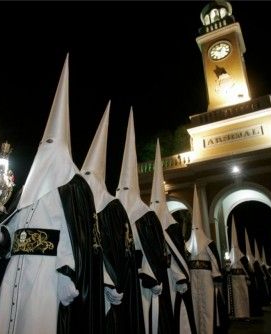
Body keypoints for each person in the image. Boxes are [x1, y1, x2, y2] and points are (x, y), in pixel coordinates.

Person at [0, 54, 104, 334]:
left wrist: (66, 273)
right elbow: (13, 232)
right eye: (42, 145)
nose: (45, 152)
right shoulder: (25, 191)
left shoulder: (73, 189)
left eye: (52, 145)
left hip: (47, 275)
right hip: (15, 269)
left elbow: (76, 235)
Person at [80, 102, 144, 334]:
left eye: (90, 174)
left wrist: (112, 280)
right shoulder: (75, 203)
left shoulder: (112, 207)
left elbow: (120, 250)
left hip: (102, 285)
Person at [116, 109, 173, 334]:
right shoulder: (112, 210)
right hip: (116, 278)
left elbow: (152, 250)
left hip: (139, 281)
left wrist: (150, 275)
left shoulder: (146, 216)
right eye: (120, 188)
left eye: (126, 188)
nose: (122, 192)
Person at [149, 139, 196, 334]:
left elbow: (176, 256)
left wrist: (179, 278)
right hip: (151, 278)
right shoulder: (146, 223)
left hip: (168, 277)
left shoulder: (172, 227)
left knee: (172, 315)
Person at [186, 185, 228, 334]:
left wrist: (216, 275)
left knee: (208, 305)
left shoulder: (208, 243)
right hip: (193, 277)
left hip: (206, 278)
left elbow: (214, 261)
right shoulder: (187, 245)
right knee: (195, 305)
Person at [227, 218, 250, 320]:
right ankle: (237, 314)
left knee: (243, 296)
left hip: (241, 279)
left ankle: (244, 314)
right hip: (234, 279)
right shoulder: (231, 257)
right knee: (236, 298)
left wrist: (247, 277)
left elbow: (247, 269)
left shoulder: (242, 258)